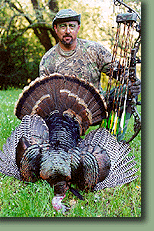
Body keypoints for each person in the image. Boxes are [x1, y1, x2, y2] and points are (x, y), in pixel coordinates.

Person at [39, 9, 141, 141]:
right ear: (56, 29)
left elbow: (120, 73)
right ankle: (66, 140)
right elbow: (46, 100)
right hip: (66, 116)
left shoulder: (94, 49)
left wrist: (133, 81)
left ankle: (111, 139)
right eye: (63, 26)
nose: (67, 31)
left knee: (126, 92)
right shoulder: (48, 60)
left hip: (97, 107)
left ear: (78, 28)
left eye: (72, 26)